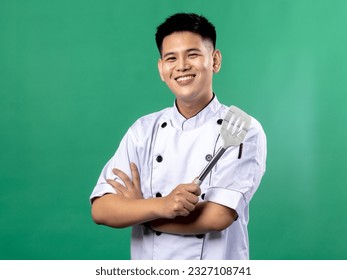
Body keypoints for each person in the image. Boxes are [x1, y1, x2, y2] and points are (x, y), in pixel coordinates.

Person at [90, 13, 267, 260]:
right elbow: (102, 209)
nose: (182, 66)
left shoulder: (243, 128)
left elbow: (218, 216)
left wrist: (142, 213)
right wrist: (162, 205)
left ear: (215, 61)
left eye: (192, 54)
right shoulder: (143, 130)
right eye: (171, 58)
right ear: (161, 69)